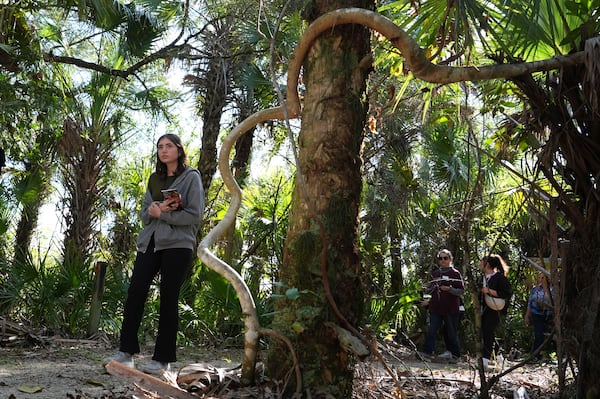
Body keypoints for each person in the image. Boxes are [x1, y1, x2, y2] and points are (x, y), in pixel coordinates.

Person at [104, 134, 204, 374]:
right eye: (160, 147)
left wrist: (164, 214)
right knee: (136, 291)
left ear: (179, 150)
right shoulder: (154, 178)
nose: (164, 150)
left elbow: (195, 215)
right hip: (149, 242)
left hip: (178, 245)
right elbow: (144, 213)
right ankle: (126, 352)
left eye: (169, 146)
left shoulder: (191, 177)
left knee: (168, 299)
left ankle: (162, 360)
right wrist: (153, 211)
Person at [421, 249, 465, 362]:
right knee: (432, 330)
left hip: (451, 309)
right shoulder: (436, 274)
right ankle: (427, 353)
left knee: (451, 332)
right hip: (436, 308)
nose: (443, 260)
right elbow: (431, 289)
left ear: (450, 259)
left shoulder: (455, 273)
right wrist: (426, 289)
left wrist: (450, 289)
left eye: (445, 258)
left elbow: (461, 291)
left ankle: (455, 355)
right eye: (440, 258)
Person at [479, 254, 512, 370]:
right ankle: (498, 354)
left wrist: (490, 291)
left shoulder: (499, 278)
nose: (479, 264)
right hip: (485, 309)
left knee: (488, 330)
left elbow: (507, 293)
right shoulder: (482, 277)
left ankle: (485, 359)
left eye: (481, 262)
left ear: (487, 264)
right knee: (486, 332)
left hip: (496, 309)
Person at [524, 271, 554, 357]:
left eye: (543, 278)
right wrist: (527, 315)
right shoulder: (535, 289)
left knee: (550, 334)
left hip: (549, 314)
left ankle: (548, 353)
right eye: (540, 278)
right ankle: (535, 354)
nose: (541, 280)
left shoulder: (553, 289)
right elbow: (530, 303)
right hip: (536, 313)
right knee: (538, 333)